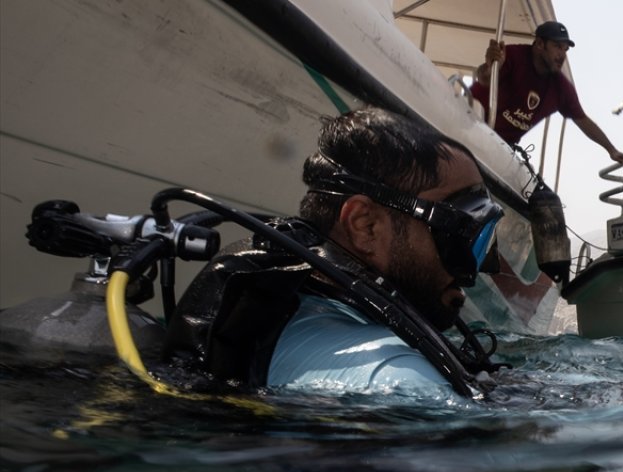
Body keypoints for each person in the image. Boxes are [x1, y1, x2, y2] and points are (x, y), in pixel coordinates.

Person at [166, 108, 503, 399]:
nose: (476, 269)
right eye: (463, 236)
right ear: (365, 225)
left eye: (484, 240)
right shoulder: (398, 380)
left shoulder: (294, 316)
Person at [470, 21, 623, 163]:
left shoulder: (561, 88)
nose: (562, 55)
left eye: (565, 49)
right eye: (557, 46)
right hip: (469, 124)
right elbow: (484, 78)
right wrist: (491, 66)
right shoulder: (512, 56)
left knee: (546, 196)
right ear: (539, 44)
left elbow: (583, 121)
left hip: (501, 147)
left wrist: (611, 150)